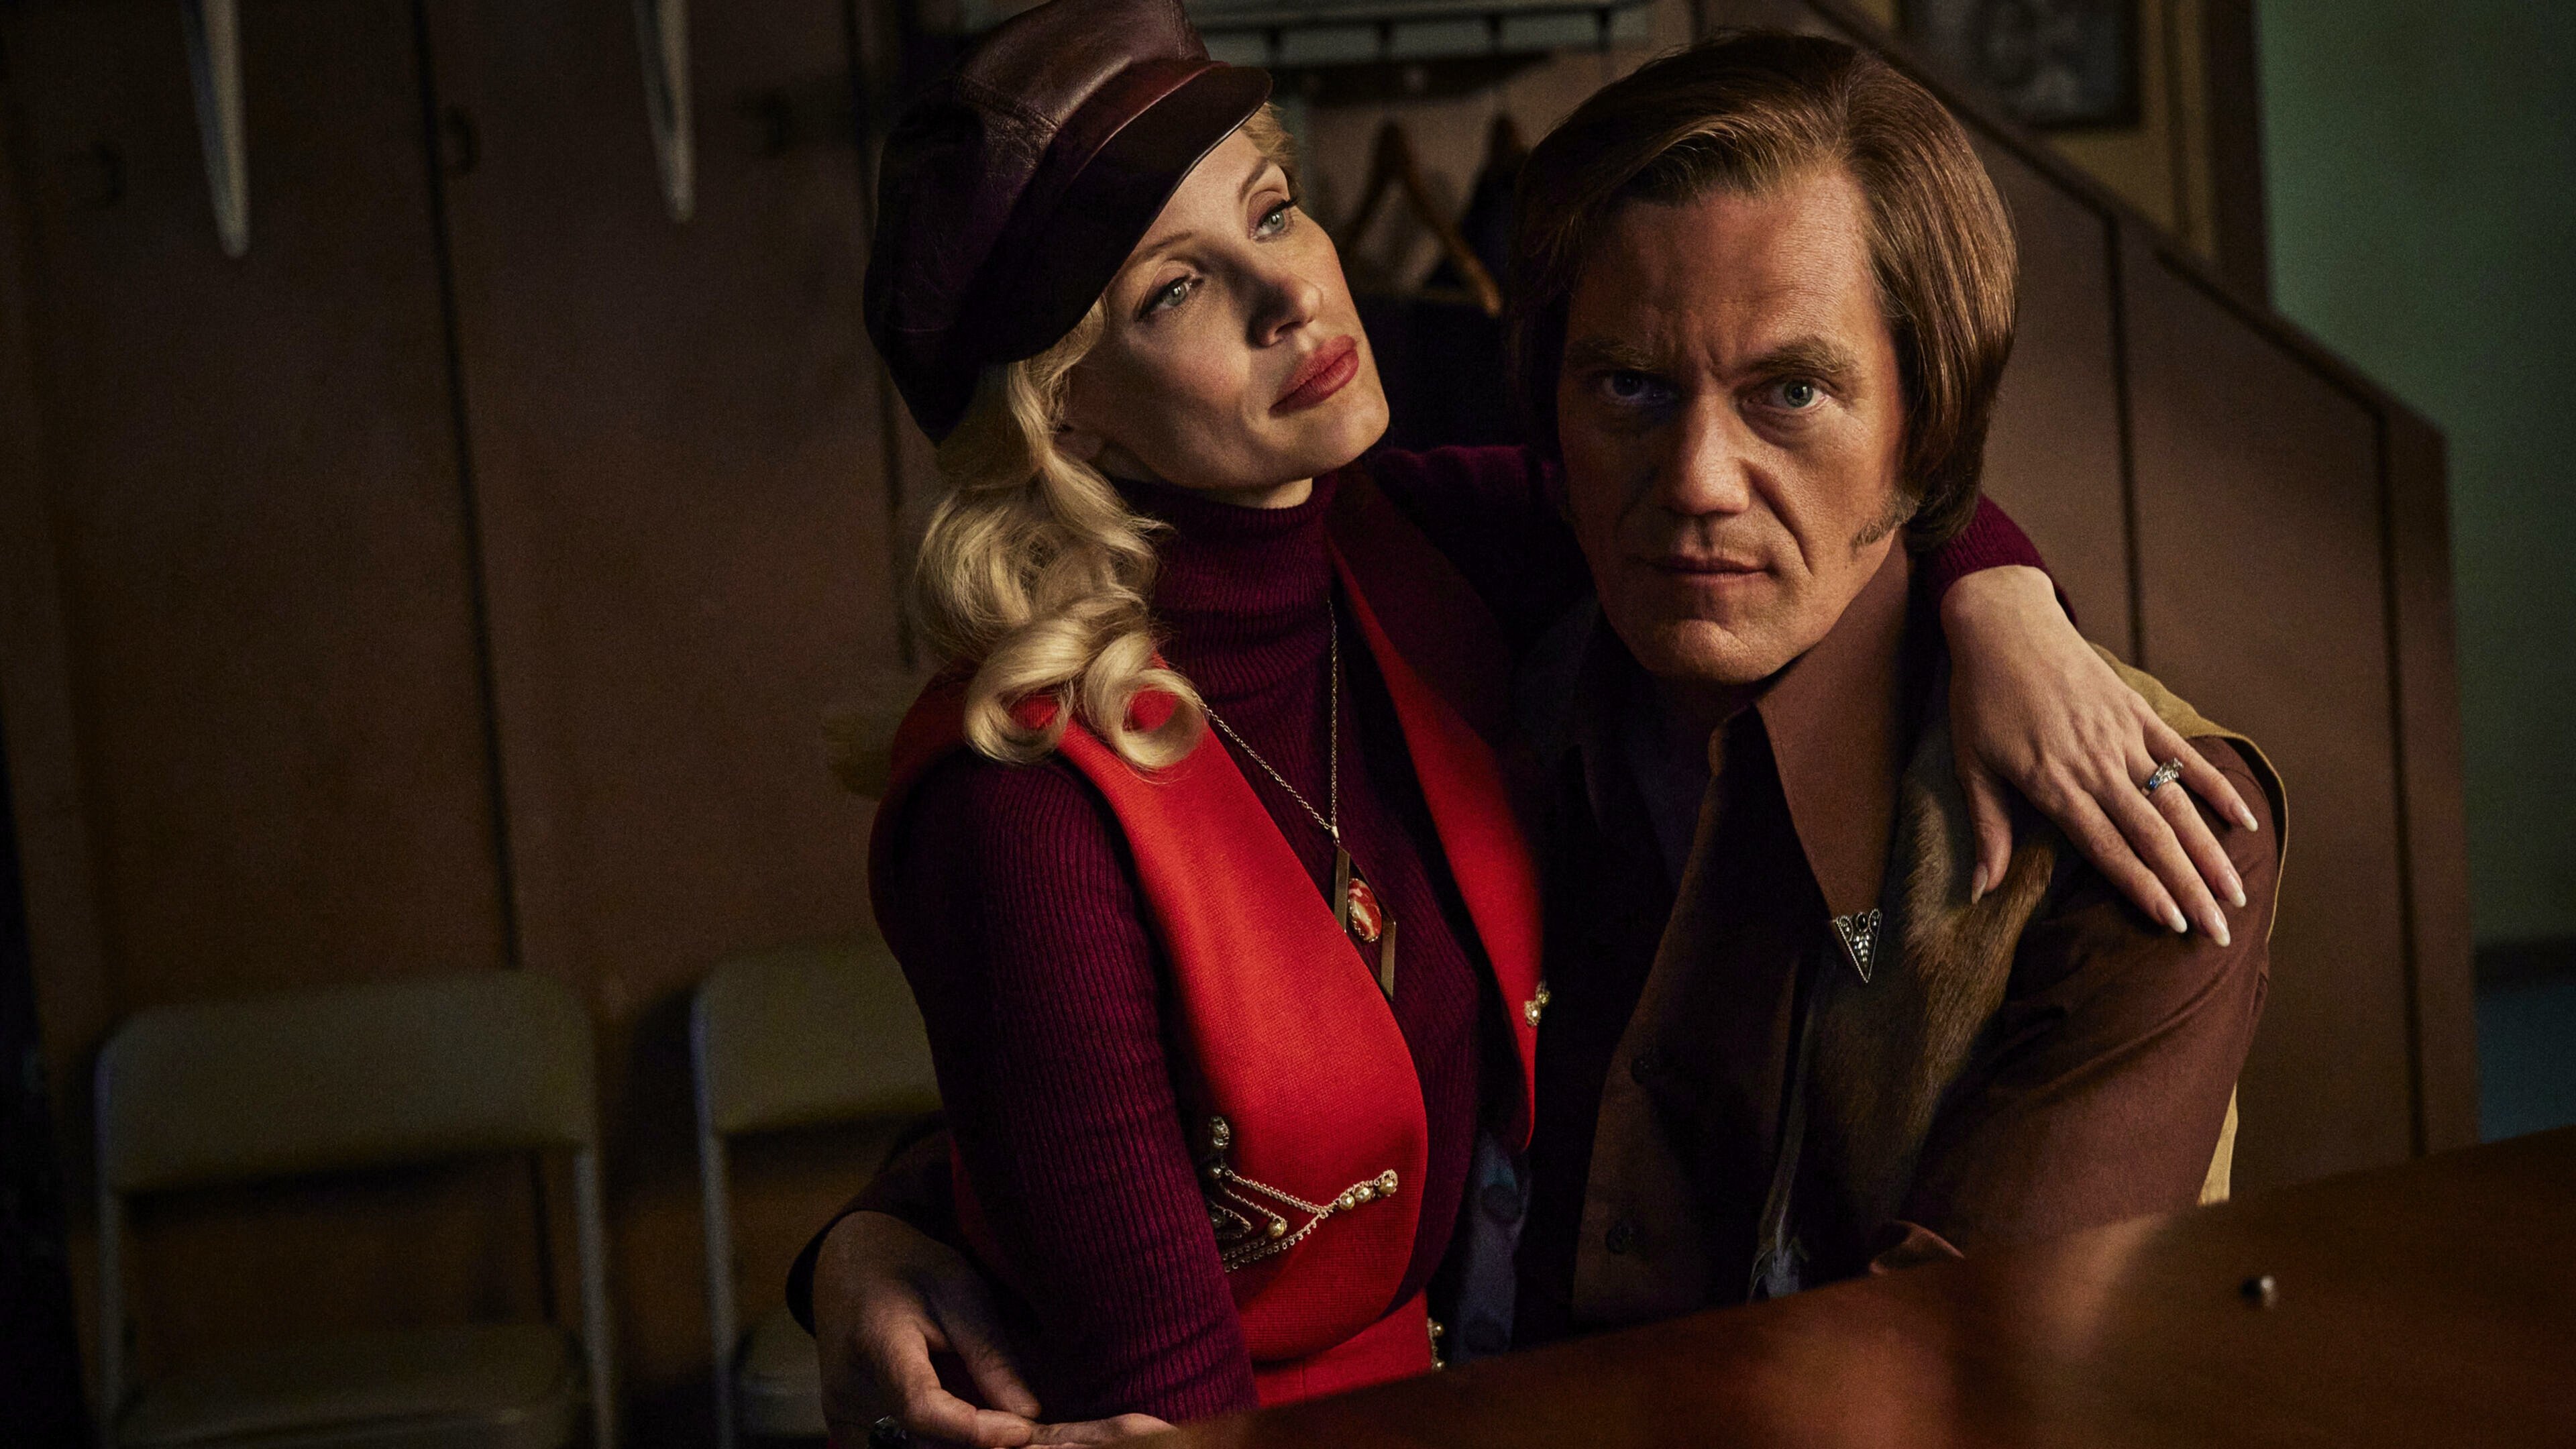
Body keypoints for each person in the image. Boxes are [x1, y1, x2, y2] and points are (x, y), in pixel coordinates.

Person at [827, 4, 2265, 1442]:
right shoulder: (1485, 605)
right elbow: (1129, 1121)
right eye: (1629, 386)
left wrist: (2000, 590)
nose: (1696, 482)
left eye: (1792, 392)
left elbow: (1976, 1389)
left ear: (1921, 426)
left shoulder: (2134, 835)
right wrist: (879, 1235)